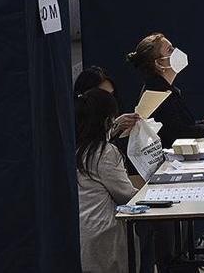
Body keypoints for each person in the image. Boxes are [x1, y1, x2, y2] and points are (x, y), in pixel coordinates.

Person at [75, 88, 141, 273]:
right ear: (107, 121)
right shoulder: (105, 152)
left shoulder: (75, 149)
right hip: (102, 233)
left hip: (80, 229)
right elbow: (126, 195)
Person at [127, 33, 204, 149]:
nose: (176, 51)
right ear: (159, 63)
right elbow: (179, 133)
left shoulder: (166, 89)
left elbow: (184, 125)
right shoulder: (157, 93)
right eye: (169, 50)